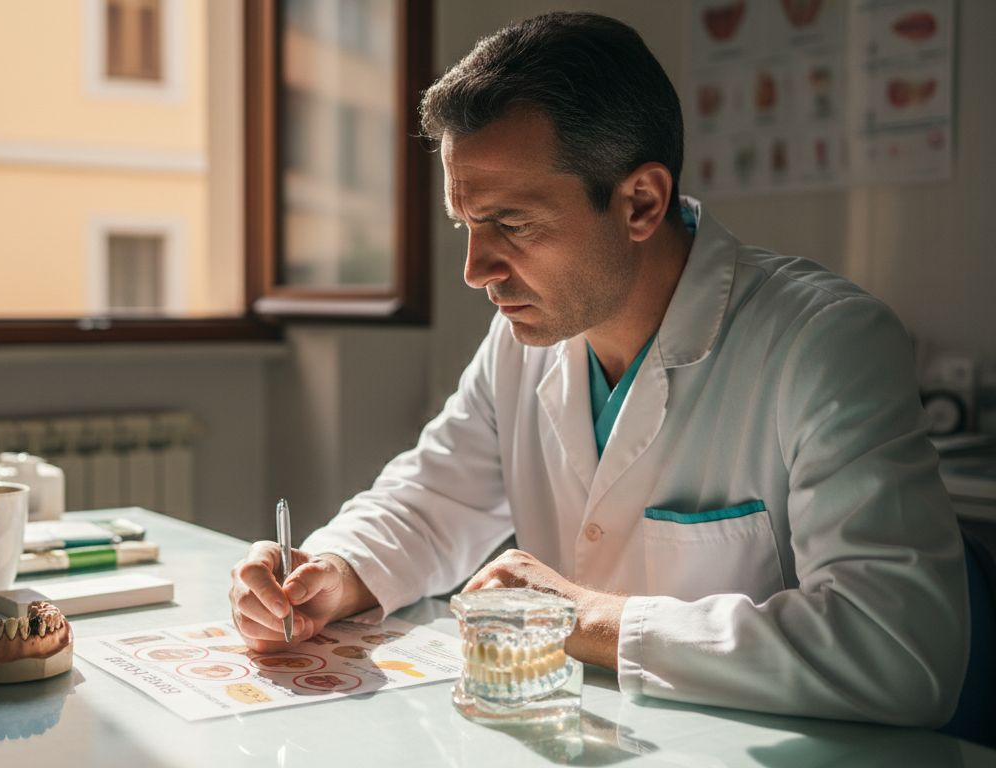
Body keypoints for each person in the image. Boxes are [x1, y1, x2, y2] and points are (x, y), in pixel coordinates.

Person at [228, 12, 969, 726]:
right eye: (466, 225)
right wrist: (332, 568)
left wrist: (586, 617)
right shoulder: (525, 340)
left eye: (510, 225)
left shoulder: (824, 344)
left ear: (641, 201)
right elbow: (429, 501)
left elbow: (901, 651)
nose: (474, 269)